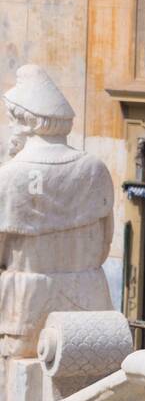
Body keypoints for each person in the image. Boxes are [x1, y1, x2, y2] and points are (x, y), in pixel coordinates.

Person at [0, 66, 113, 358]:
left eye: (12, 119)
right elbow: (104, 242)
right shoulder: (94, 169)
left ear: (27, 123)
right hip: (88, 299)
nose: (11, 127)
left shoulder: (10, 176)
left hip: (26, 305)